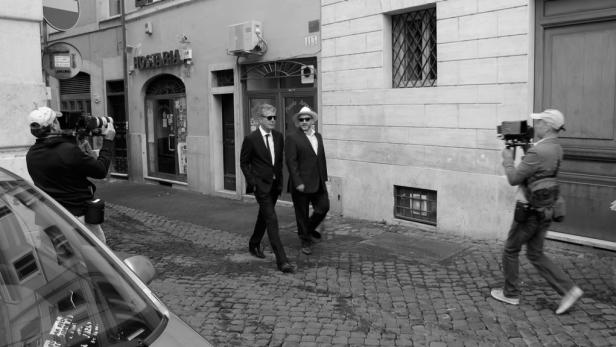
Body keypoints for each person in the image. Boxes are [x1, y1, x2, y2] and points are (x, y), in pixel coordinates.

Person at [490, 109, 583, 315]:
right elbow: (537, 170)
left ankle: (510, 293)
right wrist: (525, 147)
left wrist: (507, 158)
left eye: (539, 122)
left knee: (510, 250)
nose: (536, 125)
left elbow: (514, 178)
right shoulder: (555, 148)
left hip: (530, 210)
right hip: (547, 208)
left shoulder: (538, 151)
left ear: (548, 126)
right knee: (535, 253)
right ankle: (569, 290)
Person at [26, 107, 115, 243]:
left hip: (49, 218)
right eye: (57, 120)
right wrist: (108, 141)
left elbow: (64, 169)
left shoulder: (31, 154)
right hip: (77, 219)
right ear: (54, 125)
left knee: (61, 261)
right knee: (95, 259)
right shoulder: (68, 151)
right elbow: (101, 170)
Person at [240, 103, 296, 273]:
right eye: (269, 117)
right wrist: (253, 182)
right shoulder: (251, 139)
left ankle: (254, 243)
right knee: (272, 219)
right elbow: (244, 162)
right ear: (259, 119)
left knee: (264, 216)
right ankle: (282, 260)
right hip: (261, 186)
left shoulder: (279, 136)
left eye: (275, 117)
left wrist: (279, 182)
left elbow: (277, 162)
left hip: (274, 186)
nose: (273, 120)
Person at [285, 106, 329, 255]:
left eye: (307, 119)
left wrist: (324, 178)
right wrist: (298, 182)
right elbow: (291, 162)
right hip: (301, 184)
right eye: (301, 119)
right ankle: (305, 241)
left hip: (318, 181)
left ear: (312, 120)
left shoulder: (318, 136)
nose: (304, 121)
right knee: (301, 214)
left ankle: (307, 230)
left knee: (323, 207)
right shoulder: (292, 137)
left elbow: (320, 159)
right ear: (298, 121)